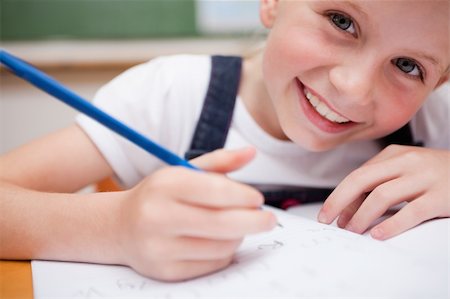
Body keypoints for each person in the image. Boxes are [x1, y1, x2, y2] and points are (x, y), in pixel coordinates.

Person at [0, 0, 448, 282]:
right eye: (341, 20)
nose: (353, 87)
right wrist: (115, 230)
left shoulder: (433, 126)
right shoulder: (172, 96)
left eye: (408, 66)